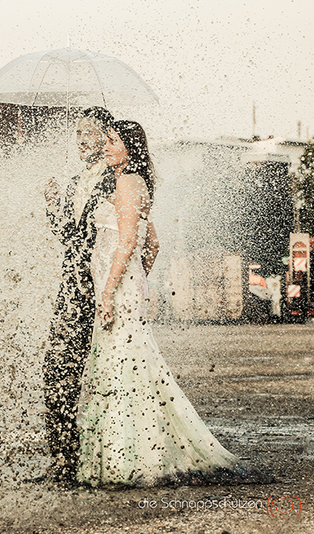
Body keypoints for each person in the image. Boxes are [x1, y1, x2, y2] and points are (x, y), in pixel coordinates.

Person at [75, 120, 244, 487]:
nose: (105, 147)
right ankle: (126, 455)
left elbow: (127, 244)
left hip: (116, 288)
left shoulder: (127, 182)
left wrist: (110, 291)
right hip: (124, 285)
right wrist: (137, 281)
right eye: (105, 141)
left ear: (130, 148)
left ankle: (128, 460)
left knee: (124, 367)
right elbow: (153, 244)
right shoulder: (130, 182)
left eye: (113, 142)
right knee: (123, 365)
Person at [43, 106, 115, 482]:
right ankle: (63, 460)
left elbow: (133, 238)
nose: (82, 140)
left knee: (107, 376)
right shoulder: (73, 183)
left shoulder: (120, 180)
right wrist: (53, 207)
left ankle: (102, 459)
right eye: (78, 133)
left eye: (89, 132)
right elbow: (69, 239)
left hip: (104, 291)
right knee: (56, 371)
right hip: (71, 291)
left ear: (107, 136)